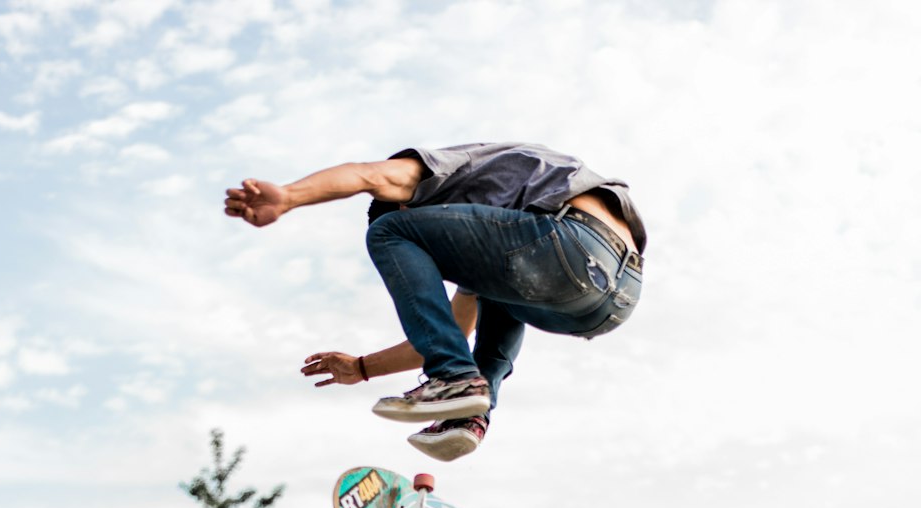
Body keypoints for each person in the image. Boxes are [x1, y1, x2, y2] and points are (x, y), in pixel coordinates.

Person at [225, 142, 645, 462]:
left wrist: (289, 196)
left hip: (570, 241)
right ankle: (470, 411)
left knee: (390, 231)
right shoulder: (496, 245)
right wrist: (361, 368)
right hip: (610, 301)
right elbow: (450, 335)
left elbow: (365, 174)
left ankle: (456, 382)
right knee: (491, 297)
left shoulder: (435, 173)